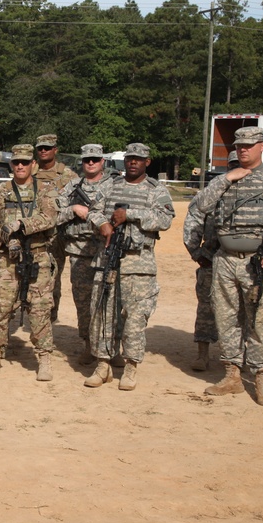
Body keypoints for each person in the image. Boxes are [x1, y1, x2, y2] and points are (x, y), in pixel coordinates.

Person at [191, 126, 263, 406]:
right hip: (225, 259)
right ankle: (232, 376)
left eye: (249, 146)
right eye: (239, 145)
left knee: (260, 321)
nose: (243, 150)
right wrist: (227, 178)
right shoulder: (225, 179)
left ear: (261, 147)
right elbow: (200, 206)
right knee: (226, 319)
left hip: (259, 261)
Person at [85, 143, 174, 390]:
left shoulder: (156, 190)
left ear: (148, 162)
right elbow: (93, 211)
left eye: (138, 159)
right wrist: (102, 223)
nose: (133, 162)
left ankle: (131, 367)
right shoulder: (109, 186)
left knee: (135, 317)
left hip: (139, 263)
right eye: (130, 158)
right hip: (107, 259)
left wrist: (131, 213)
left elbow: (165, 219)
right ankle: (103, 365)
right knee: (103, 311)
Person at [0, 144, 60, 381]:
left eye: (25, 162)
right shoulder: (0, 192)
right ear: (11, 165)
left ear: (33, 164)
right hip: (6, 259)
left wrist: (22, 225)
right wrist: (5, 239)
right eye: (16, 163)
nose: (21, 166)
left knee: (40, 309)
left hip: (38, 257)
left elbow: (51, 217)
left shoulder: (45, 191)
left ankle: (44, 357)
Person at [182, 151, 240, 372]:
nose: (237, 168)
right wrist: (196, 252)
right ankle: (202, 355)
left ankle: (238, 358)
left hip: (243, 262)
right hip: (212, 259)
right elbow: (193, 220)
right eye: (233, 164)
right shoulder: (213, 191)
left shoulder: (258, 191)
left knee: (241, 312)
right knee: (206, 308)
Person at [56, 144, 110, 365]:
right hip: (79, 253)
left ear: (102, 162)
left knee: (109, 302)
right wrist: (73, 210)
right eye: (87, 159)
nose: (90, 163)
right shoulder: (71, 187)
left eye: (95, 159)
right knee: (83, 302)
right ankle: (88, 345)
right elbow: (54, 214)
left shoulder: (114, 186)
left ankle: (110, 348)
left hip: (105, 252)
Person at [34, 133, 78, 323]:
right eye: (40, 148)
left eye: (47, 148)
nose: (43, 151)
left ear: (55, 150)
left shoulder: (68, 176)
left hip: (56, 237)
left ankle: (50, 317)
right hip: (33, 235)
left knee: (53, 278)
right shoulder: (29, 172)